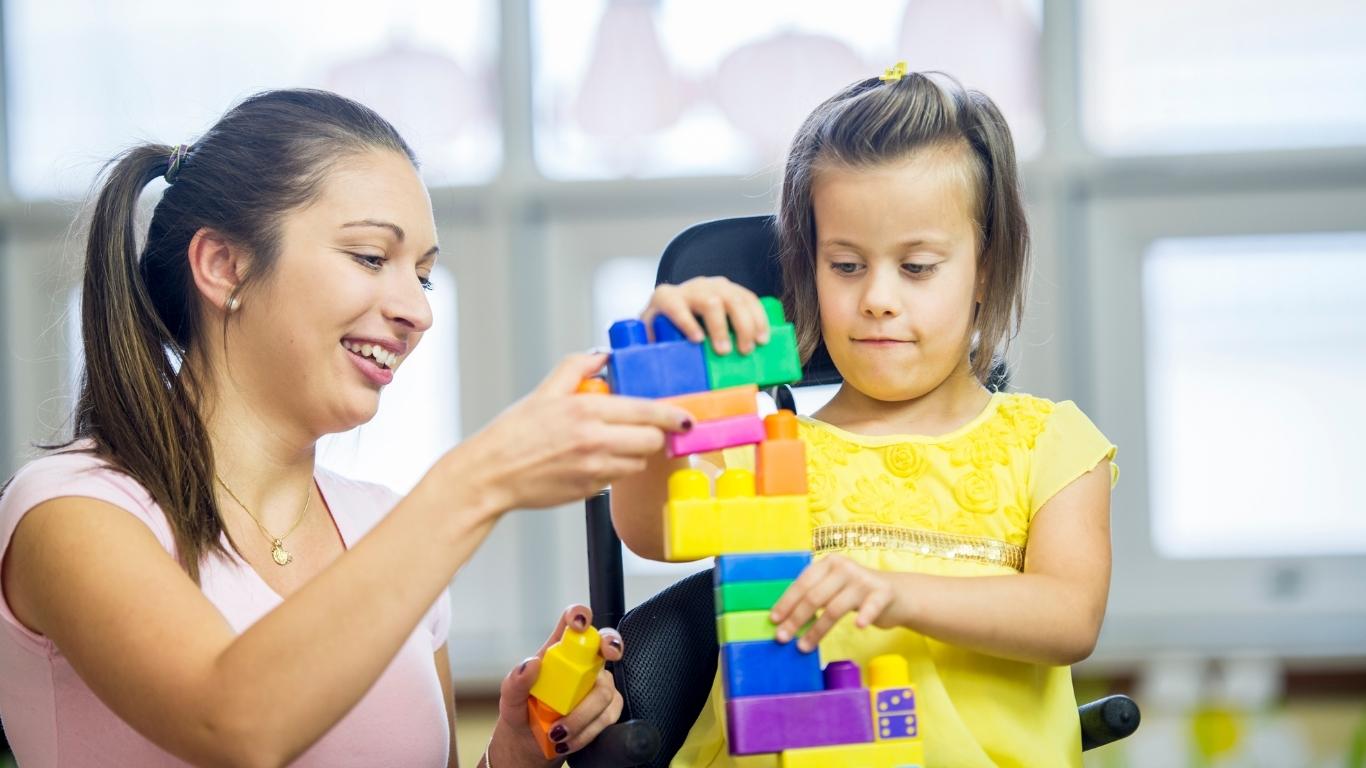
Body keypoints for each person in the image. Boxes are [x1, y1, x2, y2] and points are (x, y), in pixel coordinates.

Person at [0, 89, 693, 768]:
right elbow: (234, 724)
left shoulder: (377, 526)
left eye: (421, 277)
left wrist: (512, 754)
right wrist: (484, 474)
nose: (417, 313)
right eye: (369, 257)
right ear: (223, 265)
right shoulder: (72, 511)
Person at [610, 68, 1118, 767]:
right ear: (807, 268)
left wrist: (897, 591)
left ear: (984, 268)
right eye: (846, 265)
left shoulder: (1051, 444)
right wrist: (654, 388)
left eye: (916, 267)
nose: (877, 297)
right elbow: (649, 532)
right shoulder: (769, 448)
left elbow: (1070, 616)